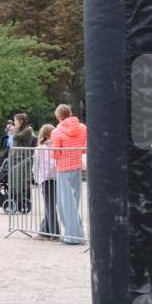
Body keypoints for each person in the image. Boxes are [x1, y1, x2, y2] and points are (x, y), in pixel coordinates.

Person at [50, 104, 87, 245]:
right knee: (74, 203)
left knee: (64, 204)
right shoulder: (83, 128)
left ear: (58, 116)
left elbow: (55, 153)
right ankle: (77, 233)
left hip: (63, 168)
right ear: (70, 113)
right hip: (76, 167)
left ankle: (73, 236)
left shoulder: (57, 131)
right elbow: (84, 147)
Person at [33, 124, 59, 239]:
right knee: (51, 205)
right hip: (56, 177)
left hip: (45, 178)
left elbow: (36, 165)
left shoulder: (39, 148)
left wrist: (37, 178)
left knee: (49, 205)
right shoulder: (56, 146)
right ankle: (44, 230)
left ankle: (54, 232)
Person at [7, 112, 34, 212]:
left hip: (24, 157)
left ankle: (25, 201)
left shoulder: (27, 130)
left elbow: (16, 137)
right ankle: (16, 201)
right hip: (15, 157)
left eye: (15, 120)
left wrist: (15, 128)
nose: (14, 122)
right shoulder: (18, 129)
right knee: (15, 181)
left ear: (21, 121)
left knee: (24, 181)